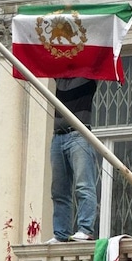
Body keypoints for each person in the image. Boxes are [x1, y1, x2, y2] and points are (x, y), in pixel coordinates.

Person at [46, 77, 100, 243]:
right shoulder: (60, 79)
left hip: (79, 133)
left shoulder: (87, 76)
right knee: (58, 190)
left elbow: (98, 63)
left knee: (83, 185)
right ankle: (61, 233)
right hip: (58, 136)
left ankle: (85, 229)